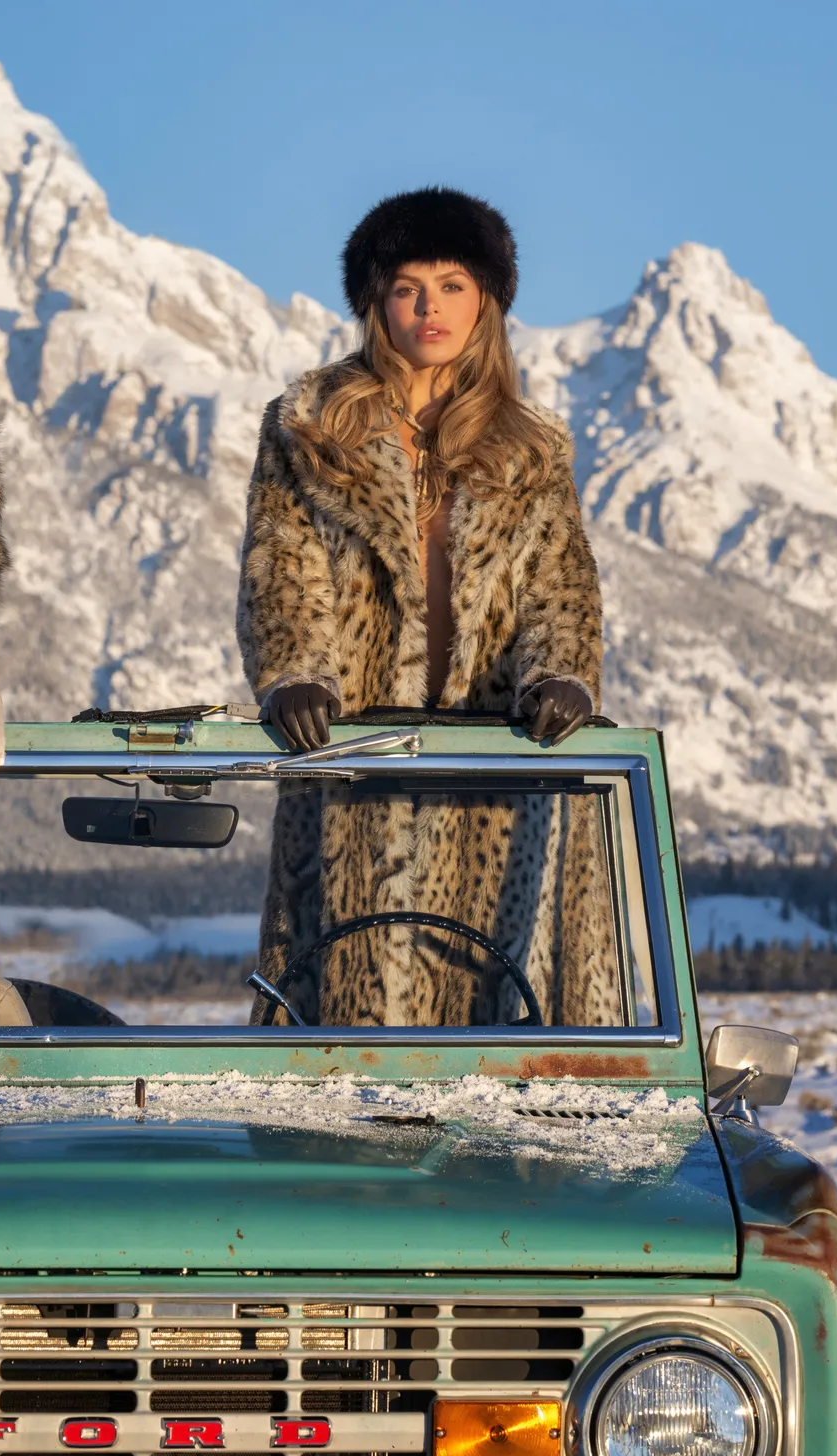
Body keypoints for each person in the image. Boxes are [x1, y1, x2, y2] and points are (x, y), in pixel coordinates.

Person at [236, 187, 615, 1027]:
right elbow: (281, 565)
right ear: (377, 302)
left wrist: (563, 676)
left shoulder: (531, 446)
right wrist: (292, 673)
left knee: (498, 1028)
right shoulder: (309, 427)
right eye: (408, 285)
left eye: (451, 283)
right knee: (341, 1025)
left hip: (497, 767)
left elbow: (561, 584)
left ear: (486, 299)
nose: (428, 306)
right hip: (354, 760)